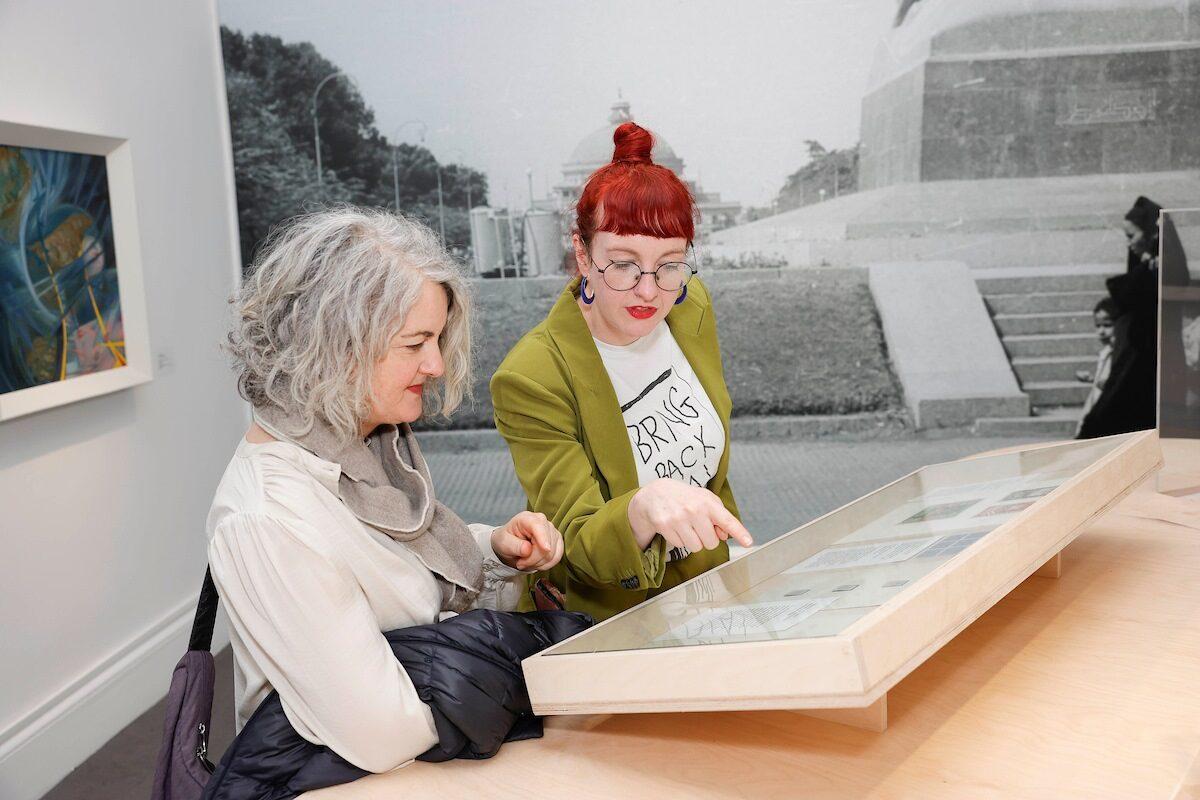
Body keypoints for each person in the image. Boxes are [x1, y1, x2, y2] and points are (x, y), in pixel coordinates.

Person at [207, 207, 564, 774]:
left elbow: (394, 584)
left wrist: (492, 551)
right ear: (334, 344)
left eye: (439, 338)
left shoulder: (368, 451)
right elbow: (381, 732)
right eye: (416, 342)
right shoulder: (268, 520)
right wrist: (506, 670)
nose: (438, 364)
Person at [489, 121, 752, 623]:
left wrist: (736, 572)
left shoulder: (690, 306)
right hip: (607, 620)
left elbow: (713, 477)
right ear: (583, 254)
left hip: (706, 599)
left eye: (669, 263)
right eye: (624, 264)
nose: (649, 291)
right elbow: (579, 542)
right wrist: (643, 506)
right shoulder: (533, 376)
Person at [1074, 298, 1116, 438]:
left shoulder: (1118, 354)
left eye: (1107, 325)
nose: (1101, 331)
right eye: (1098, 326)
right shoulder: (1105, 352)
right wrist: (1093, 379)